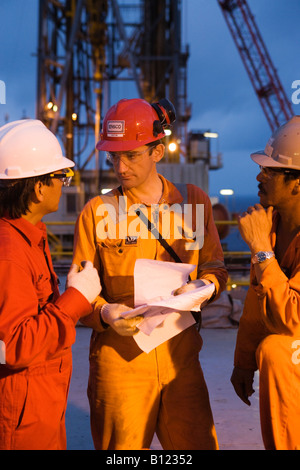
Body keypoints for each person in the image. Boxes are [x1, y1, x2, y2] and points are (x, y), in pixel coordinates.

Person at [72, 98, 228, 450]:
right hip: (119, 360)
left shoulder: (194, 202)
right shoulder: (98, 212)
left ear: (157, 152)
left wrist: (206, 286)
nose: (120, 167)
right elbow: (80, 291)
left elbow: (215, 267)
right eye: (113, 156)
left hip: (180, 359)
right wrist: (104, 312)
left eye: (131, 155)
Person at [0, 119, 101, 450]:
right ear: (39, 187)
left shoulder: (26, 237)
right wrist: (76, 298)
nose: (65, 184)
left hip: (35, 404)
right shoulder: (10, 253)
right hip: (21, 416)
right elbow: (15, 346)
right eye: (62, 177)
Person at [231, 115, 300, 450]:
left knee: (276, 351)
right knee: (270, 351)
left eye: (270, 171)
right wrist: (243, 363)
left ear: (297, 183)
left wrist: (261, 252)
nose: (259, 176)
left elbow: (293, 319)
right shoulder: (272, 223)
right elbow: (258, 303)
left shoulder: (265, 238)